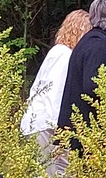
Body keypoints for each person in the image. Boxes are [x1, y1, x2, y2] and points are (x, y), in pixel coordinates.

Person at [57, 0, 106, 136]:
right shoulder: (98, 45)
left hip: (87, 134)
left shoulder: (95, 41)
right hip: (86, 137)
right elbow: (94, 85)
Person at [21, 10, 91, 157]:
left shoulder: (58, 52)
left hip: (39, 124)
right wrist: (59, 129)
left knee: (44, 176)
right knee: (51, 177)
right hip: (46, 127)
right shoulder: (64, 56)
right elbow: (55, 93)